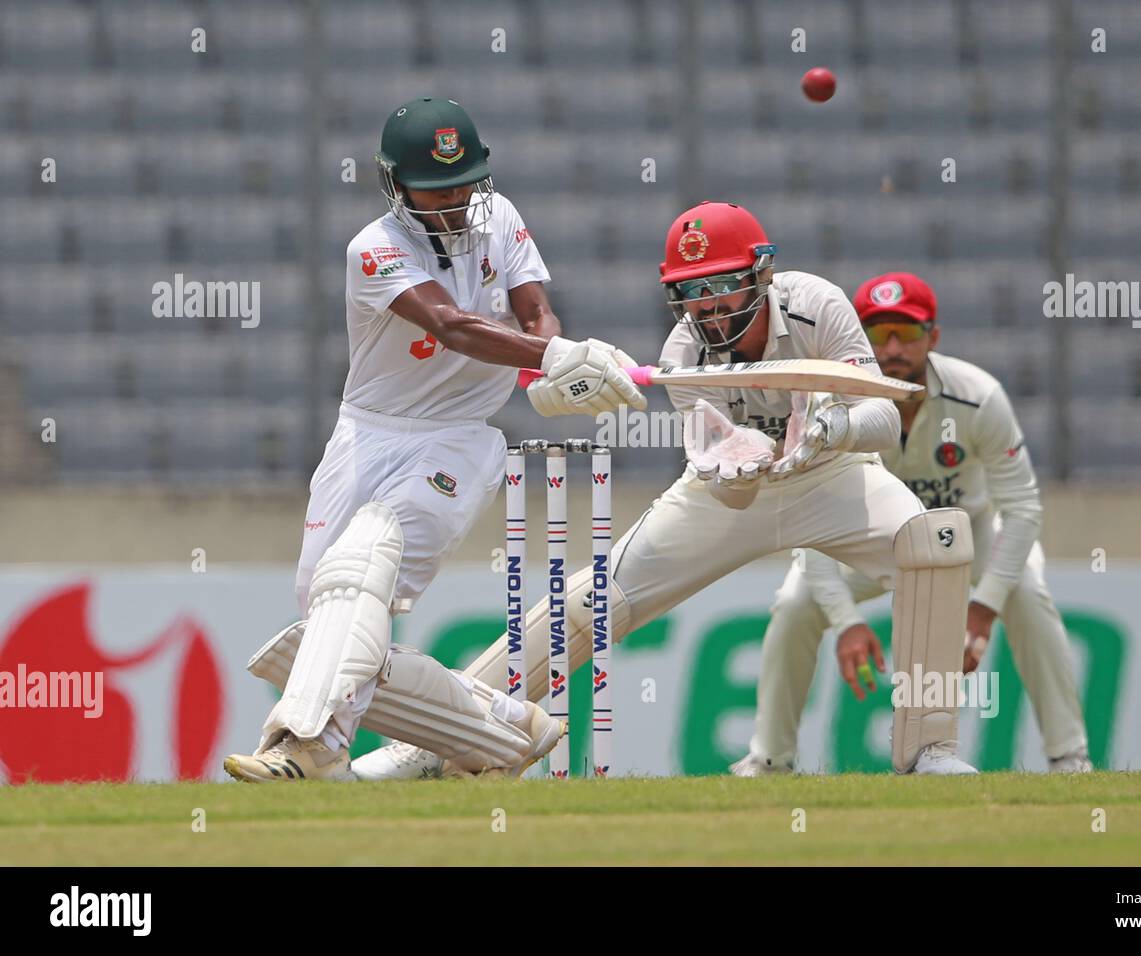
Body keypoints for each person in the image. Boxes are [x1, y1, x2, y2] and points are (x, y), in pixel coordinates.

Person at [358, 201, 979, 779]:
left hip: (832, 479)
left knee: (933, 543)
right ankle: (430, 748)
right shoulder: (683, 353)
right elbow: (725, 479)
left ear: (762, 273)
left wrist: (832, 426)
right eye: (690, 292)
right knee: (592, 603)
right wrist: (738, 467)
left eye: (719, 286)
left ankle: (929, 749)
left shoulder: (817, 303)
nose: (706, 308)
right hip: (726, 498)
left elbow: (885, 417)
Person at [223, 96, 647, 782]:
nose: (455, 200)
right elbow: (452, 325)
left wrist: (559, 356)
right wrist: (550, 359)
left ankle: (308, 744)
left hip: (457, 441)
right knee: (327, 622)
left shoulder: (500, 216)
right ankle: (505, 731)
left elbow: (535, 310)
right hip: (367, 435)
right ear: (395, 184)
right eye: (436, 187)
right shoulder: (374, 248)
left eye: (465, 183)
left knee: (360, 567)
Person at [731, 272, 1093, 776]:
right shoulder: (830, 406)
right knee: (795, 603)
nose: (893, 348)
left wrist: (982, 610)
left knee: (1028, 594)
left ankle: (1068, 757)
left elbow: (1023, 506)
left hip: (969, 538)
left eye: (907, 331)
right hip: (871, 542)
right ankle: (769, 759)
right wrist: (848, 622)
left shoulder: (978, 396)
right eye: (878, 335)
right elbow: (809, 521)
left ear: (934, 337)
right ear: (858, 337)